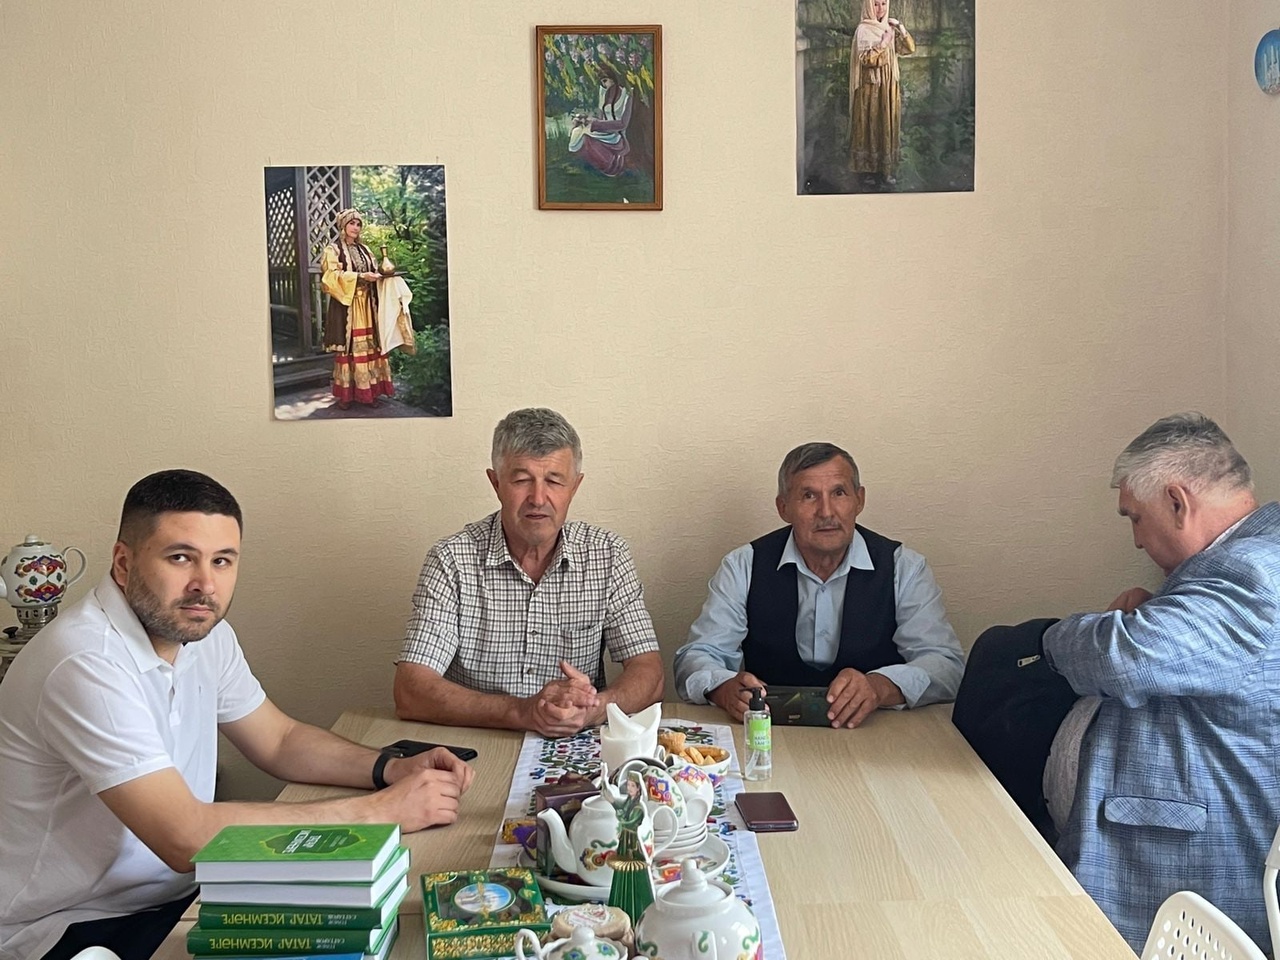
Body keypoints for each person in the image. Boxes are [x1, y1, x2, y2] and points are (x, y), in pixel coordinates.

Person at [0, 470, 475, 960]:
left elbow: (279, 740)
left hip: (182, 896)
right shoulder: (85, 662)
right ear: (124, 563)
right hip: (69, 926)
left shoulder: (202, 635)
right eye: (180, 557)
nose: (205, 584)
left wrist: (391, 768)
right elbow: (184, 838)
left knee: (392, 924)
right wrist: (379, 813)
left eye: (222, 561)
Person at [1041, 412, 1280, 951]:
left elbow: (1123, 658)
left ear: (1177, 502)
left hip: (1181, 870)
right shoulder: (1240, 565)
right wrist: (1156, 614)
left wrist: (1052, 638)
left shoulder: (1253, 571)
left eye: (1135, 517)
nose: (1134, 541)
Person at [394, 407, 664, 737]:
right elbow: (411, 690)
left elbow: (649, 673)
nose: (538, 498)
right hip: (476, 742)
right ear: (496, 483)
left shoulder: (607, 554)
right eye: (522, 480)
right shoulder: (451, 560)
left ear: (575, 487)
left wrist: (595, 709)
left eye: (554, 481)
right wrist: (523, 712)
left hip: (574, 745)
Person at [674, 442, 964, 727]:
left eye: (839, 493)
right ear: (783, 507)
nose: (826, 512)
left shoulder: (903, 568)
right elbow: (697, 656)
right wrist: (723, 689)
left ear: (859, 500)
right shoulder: (743, 565)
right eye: (809, 496)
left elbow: (946, 665)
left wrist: (881, 686)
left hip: (877, 733)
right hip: (771, 734)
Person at [320, 208, 395, 408]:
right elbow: (329, 277)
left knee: (370, 347)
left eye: (359, 224)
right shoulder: (332, 250)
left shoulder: (365, 250)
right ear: (343, 226)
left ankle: (370, 392)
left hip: (368, 306)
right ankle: (346, 396)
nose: (356, 227)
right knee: (351, 349)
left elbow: (373, 271)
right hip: (349, 307)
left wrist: (380, 276)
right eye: (352, 223)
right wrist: (360, 276)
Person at [849, 0, 914, 190]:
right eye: (875, 4)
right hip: (870, 88)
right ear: (869, 6)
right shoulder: (863, 30)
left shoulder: (888, 28)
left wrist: (900, 28)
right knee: (870, 124)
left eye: (884, 4)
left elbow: (908, 49)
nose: (880, 9)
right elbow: (866, 60)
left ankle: (884, 172)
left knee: (886, 123)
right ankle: (867, 173)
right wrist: (884, 42)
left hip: (888, 85)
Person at [568, 66, 633, 177]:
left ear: (613, 79)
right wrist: (585, 119)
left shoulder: (626, 94)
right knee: (578, 131)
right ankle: (587, 165)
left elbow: (623, 124)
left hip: (617, 133)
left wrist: (595, 124)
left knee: (585, 135)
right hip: (604, 130)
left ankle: (610, 166)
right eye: (602, 82)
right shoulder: (603, 93)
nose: (604, 85)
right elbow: (600, 117)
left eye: (605, 81)